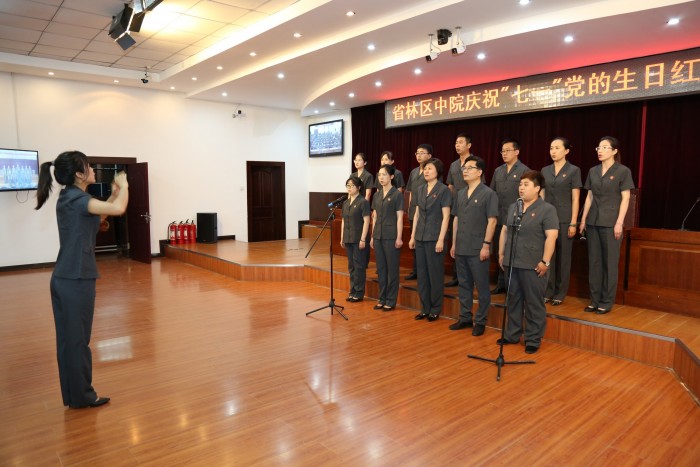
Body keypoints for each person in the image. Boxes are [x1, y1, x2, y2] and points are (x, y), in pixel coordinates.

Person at [35, 150, 129, 409]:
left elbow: (101, 214)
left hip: (65, 278)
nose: (92, 169)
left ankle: (74, 396)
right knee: (77, 342)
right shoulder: (79, 200)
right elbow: (118, 209)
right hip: (75, 280)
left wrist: (113, 193)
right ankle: (83, 396)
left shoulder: (70, 197)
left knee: (69, 342)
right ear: (79, 174)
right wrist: (124, 186)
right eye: (88, 166)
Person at [497, 170, 558, 354]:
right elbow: (505, 230)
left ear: (537, 188)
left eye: (526, 185)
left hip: (533, 264)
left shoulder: (547, 209)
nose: (521, 188)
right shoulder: (514, 207)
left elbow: (552, 236)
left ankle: (532, 338)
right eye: (520, 184)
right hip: (512, 262)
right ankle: (512, 334)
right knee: (513, 299)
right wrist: (501, 254)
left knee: (533, 303)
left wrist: (545, 261)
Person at [579, 136, 635, 314]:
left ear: (614, 151)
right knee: (594, 262)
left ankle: (606, 301)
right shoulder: (593, 171)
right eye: (598, 147)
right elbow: (589, 196)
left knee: (609, 263)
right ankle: (594, 300)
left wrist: (619, 222)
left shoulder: (623, 171)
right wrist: (583, 219)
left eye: (604, 147)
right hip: (593, 222)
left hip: (611, 223)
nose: (600, 151)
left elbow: (626, 198)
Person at [449, 156, 498, 336]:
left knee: (482, 286)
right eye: (464, 168)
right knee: (464, 284)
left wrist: (486, 245)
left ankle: (481, 321)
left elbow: (492, 221)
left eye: (470, 168)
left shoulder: (488, 193)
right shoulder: (461, 193)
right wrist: (454, 243)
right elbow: (456, 219)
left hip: (478, 248)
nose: (465, 171)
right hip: (461, 246)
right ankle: (465, 317)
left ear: (479, 172)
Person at [409, 158, 451, 321]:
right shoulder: (420, 189)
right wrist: (413, 236)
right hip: (420, 236)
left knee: (435, 274)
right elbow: (417, 214)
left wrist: (441, 239)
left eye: (430, 169)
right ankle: (424, 308)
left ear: (438, 172)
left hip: (434, 238)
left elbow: (446, 216)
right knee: (422, 274)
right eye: (425, 169)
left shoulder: (443, 190)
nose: (426, 171)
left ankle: (435, 308)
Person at [541, 137, 582, 306]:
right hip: (548, 218)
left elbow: (576, 198)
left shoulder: (573, 170)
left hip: (565, 219)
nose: (553, 151)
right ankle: (548, 290)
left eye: (557, 148)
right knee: (549, 255)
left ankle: (560, 292)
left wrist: (573, 222)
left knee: (564, 257)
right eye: (551, 148)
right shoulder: (545, 170)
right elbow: (541, 195)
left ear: (566, 151)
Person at [490, 138, 529, 294]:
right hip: (499, 217)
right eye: (502, 151)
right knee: (499, 250)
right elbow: (492, 193)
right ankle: (501, 283)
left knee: (512, 251)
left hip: (515, 218)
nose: (504, 154)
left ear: (517, 152)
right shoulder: (498, 171)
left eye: (508, 150)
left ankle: (512, 285)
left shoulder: (524, 170)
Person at [370, 165, 404, 311]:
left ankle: (390, 300)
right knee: (381, 269)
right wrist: (372, 236)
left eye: (384, 175)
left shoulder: (397, 194)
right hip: (378, 235)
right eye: (379, 175)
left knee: (392, 270)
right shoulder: (376, 195)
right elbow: (375, 217)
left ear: (391, 177)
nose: (381, 177)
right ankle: (382, 298)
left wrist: (399, 237)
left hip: (391, 236)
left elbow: (400, 217)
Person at [445, 133, 476, 287]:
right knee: (455, 240)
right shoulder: (453, 165)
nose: (457, 145)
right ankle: (457, 275)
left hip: (471, 207)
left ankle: (470, 277)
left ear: (468, 145)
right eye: (456, 142)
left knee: (469, 241)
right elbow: (450, 186)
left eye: (461, 142)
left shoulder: (475, 163)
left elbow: (479, 185)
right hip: (456, 207)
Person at [340, 175, 371, 302]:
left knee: (359, 266)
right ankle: (352, 291)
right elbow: (343, 221)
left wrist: (363, 239)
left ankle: (359, 293)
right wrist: (342, 237)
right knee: (351, 266)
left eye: (352, 186)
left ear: (358, 187)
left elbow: (367, 221)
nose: (349, 188)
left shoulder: (363, 202)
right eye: (348, 185)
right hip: (348, 238)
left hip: (358, 239)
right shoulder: (345, 203)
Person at [403, 144, 432, 280]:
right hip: (413, 211)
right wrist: (407, 208)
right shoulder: (414, 172)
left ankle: (425, 271)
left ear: (429, 156)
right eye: (417, 153)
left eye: (422, 153)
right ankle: (416, 270)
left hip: (426, 213)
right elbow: (408, 191)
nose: (419, 155)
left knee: (424, 244)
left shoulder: (432, 171)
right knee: (414, 242)